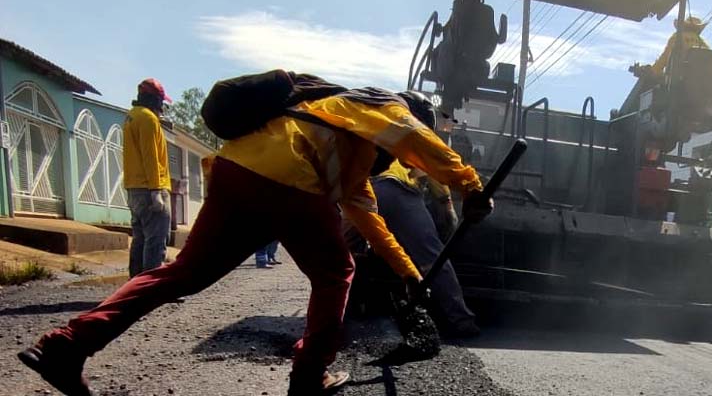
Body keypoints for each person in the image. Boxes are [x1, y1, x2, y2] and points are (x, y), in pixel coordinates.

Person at [18, 85, 491, 396]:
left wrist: (409, 275)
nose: (395, 160)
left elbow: (372, 224)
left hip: (236, 171)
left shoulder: (342, 137)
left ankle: (65, 346)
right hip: (288, 178)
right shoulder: (380, 106)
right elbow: (414, 138)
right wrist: (470, 186)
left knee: (183, 273)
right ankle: (308, 379)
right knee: (336, 274)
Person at [370, 160, 478, 337]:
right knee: (432, 257)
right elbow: (435, 170)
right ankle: (461, 320)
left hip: (366, 191)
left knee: (347, 253)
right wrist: (447, 207)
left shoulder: (378, 146)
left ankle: (342, 313)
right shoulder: (415, 151)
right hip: (401, 191)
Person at [123, 78, 172, 278]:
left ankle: (134, 284)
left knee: (140, 239)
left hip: (134, 189)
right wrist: (156, 191)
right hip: (150, 188)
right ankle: (150, 287)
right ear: (156, 100)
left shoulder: (131, 117)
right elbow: (150, 156)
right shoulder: (148, 119)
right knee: (156, 240)